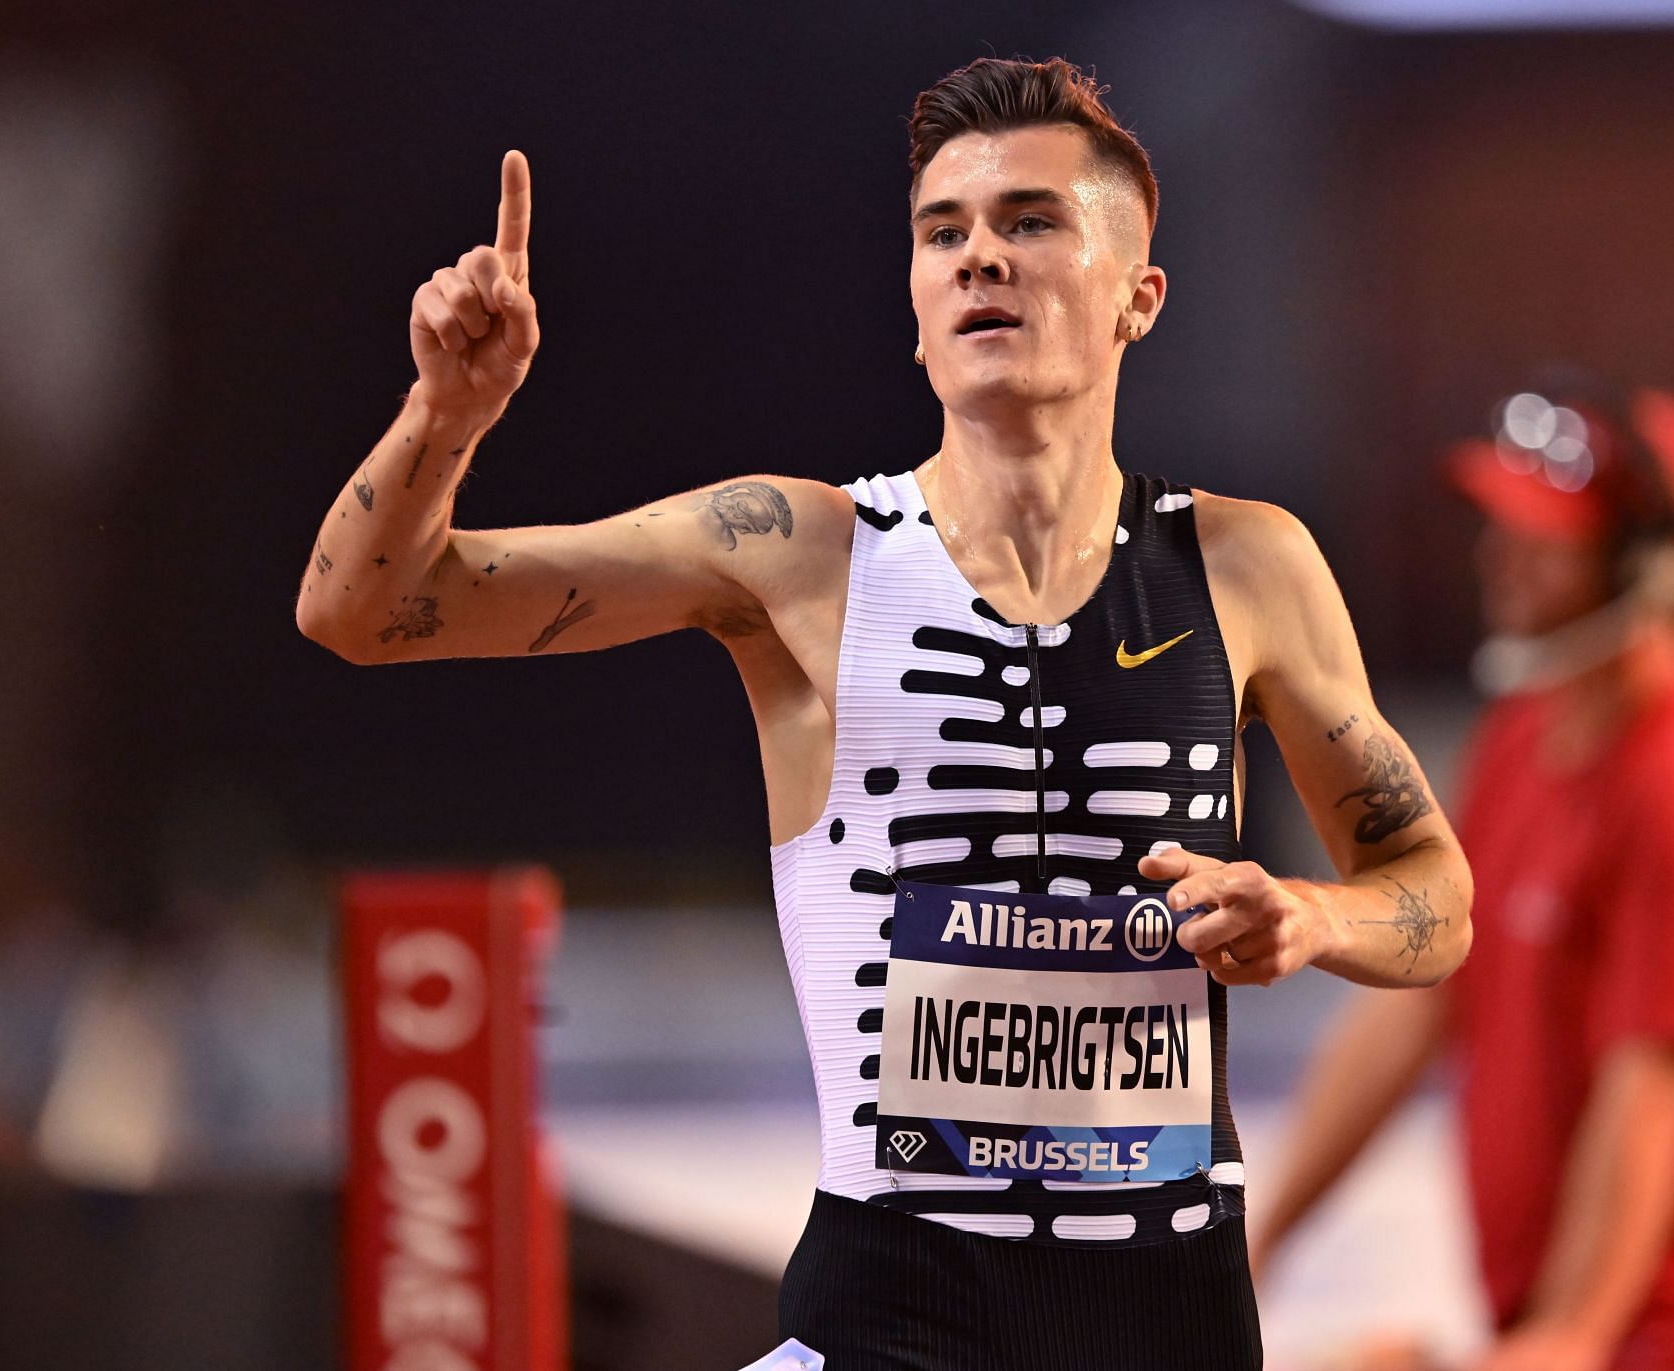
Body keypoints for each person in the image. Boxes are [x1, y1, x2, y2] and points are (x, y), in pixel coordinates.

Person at [298, 57, 1473, 1369]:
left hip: (1174, 1319)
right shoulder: (803, 553)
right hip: (892, 1324)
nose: (981, 257)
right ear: (913, 310)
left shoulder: (1250, 566)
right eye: (943, 232)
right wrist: (444, 416)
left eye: (1030, 221)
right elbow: (364, 610)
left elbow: (1435, 888)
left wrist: (1315, 914)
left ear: (1138, 295)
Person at [1247, 381, 1674, 1371]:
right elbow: (1417, 1005)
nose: (1499, 553)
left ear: (1644, 567)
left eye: (1545, 533)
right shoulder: (1527, 734)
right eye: (1502, 519)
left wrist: (1523, 1350)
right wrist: (1257, 1243)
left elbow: (1635, 1148)